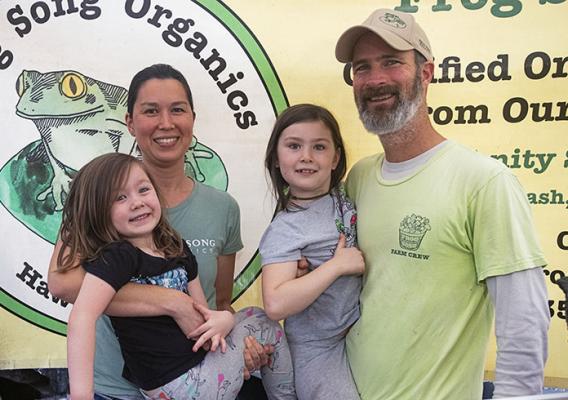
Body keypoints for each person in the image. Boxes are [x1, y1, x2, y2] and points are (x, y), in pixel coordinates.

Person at [334, 8, 550, 400]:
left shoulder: (485, 181)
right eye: (362, 67)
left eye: (392, 62)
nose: (375, 79)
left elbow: (524, 322)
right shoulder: (359, 179)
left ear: (426, 73)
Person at [48, 64, 279, 400]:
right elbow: (63, 283)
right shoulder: (97, 197)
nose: (166, 123)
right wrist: (171, 301)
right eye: (151, 111)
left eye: (177, 110)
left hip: (195, 380)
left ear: (193, 119)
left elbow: (223, 302)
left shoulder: (223, 207)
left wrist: (236, 345)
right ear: (129, 122)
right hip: (111, 390)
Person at [60, 153, 294, 400]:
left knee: (256, 316)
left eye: (143, 189)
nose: (137, 202)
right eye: (120, 197)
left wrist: (224, 320)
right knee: (267, 324)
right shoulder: (117, 256)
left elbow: (203, 322)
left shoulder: (177, 249)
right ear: (98, 211)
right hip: (178, 385)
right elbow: (82, 318)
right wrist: (81, 396)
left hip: (198, 368)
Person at [260, 104, 364, 400]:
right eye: (294, 146)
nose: (306, 156)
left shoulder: (346, 195)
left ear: (336, 158)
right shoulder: (285, 227)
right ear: (277, 160)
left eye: (319, 146)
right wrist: (336, 266)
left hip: (357, 335)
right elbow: (275, 304)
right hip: (316, 348)